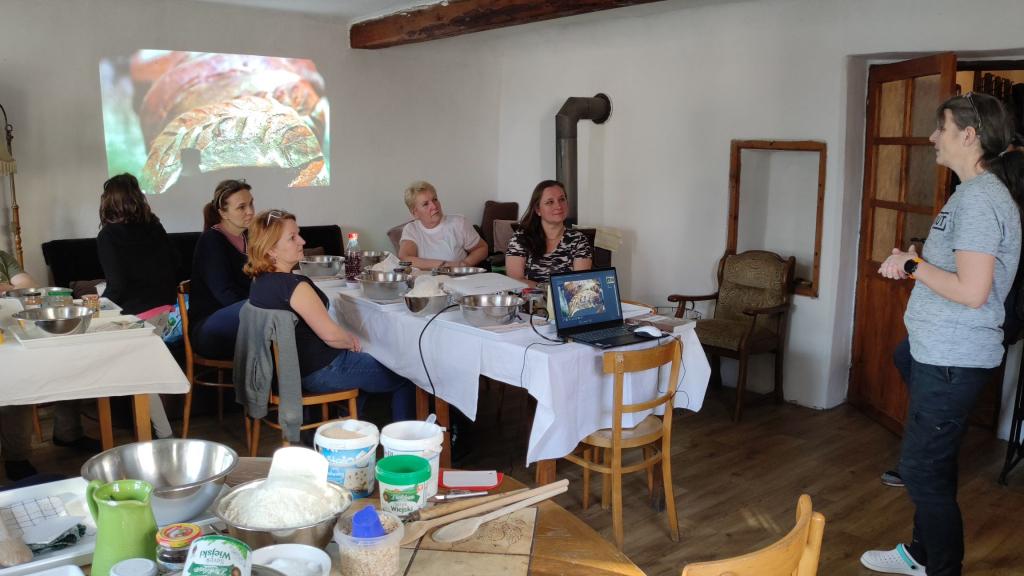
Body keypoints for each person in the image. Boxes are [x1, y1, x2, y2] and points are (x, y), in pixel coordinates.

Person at [862, 92, 1024, 576]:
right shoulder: (972, 194)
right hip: (939, 351)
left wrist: (912, 265)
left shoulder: (980, 199)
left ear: (968, 136)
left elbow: (973, 291)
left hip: (953, 357)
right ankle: (921, 553)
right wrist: (917, 259)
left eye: (942, 127)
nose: (933, 136)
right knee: (933, 457)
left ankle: (941, 568)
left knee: (920, 470)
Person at [245, 209, 415, 421]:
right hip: (319, 371)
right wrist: (350, 341)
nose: (302, 241)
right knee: (408, 376)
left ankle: (348, 426)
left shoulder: (259, 282)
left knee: (368, 361)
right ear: (271, 250)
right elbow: (331, 336)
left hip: (289, 372)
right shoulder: (294, 286)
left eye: (298, 234)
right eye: (292, 237)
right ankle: (405, 438)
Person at [96, 173, 176, 439]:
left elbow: (117, 286)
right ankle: (161, 434)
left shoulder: (108, 236)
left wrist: (98, 308)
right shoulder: (155, 226)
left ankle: (164, 436)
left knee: (139, 374)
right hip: (164, 309)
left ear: (108, 201)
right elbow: (174, 266)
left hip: (135, 315)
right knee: (143, 371)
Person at [190, 179, 254, 359]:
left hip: (244, 317)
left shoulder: (250, 238)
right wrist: (262, 305)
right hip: (210, 328)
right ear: (223, 213)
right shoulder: (211, 241)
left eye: (251, 204)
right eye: (241, 207)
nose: (250, 211)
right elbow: (225, 293)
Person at [505, 180, 592, 287]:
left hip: (566, 298)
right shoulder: (520, 238)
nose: (558, 206)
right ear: (538, 210)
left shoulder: (579, 240)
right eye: (550, 202)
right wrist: (548, 290)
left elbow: (580, 284)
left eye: (562, 199)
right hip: (529, 298)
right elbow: (515, 281)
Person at [1, 249, 39, 480]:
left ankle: (17, 457)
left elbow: (28, 286)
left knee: (17, 389)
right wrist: (8, 287)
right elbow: (16, 288)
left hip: (8, 334)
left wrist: (7, 288)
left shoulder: (2, 257)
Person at [397, 181, 488, 270]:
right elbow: (405, 259)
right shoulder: (411, 229)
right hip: (426, 280)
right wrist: (444, 265)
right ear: (415, 213)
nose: (434, 206)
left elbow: (482, 248)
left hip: (458, 278)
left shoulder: (458, 223)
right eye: (426, 204)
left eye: (435, 199)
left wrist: (465, 264)